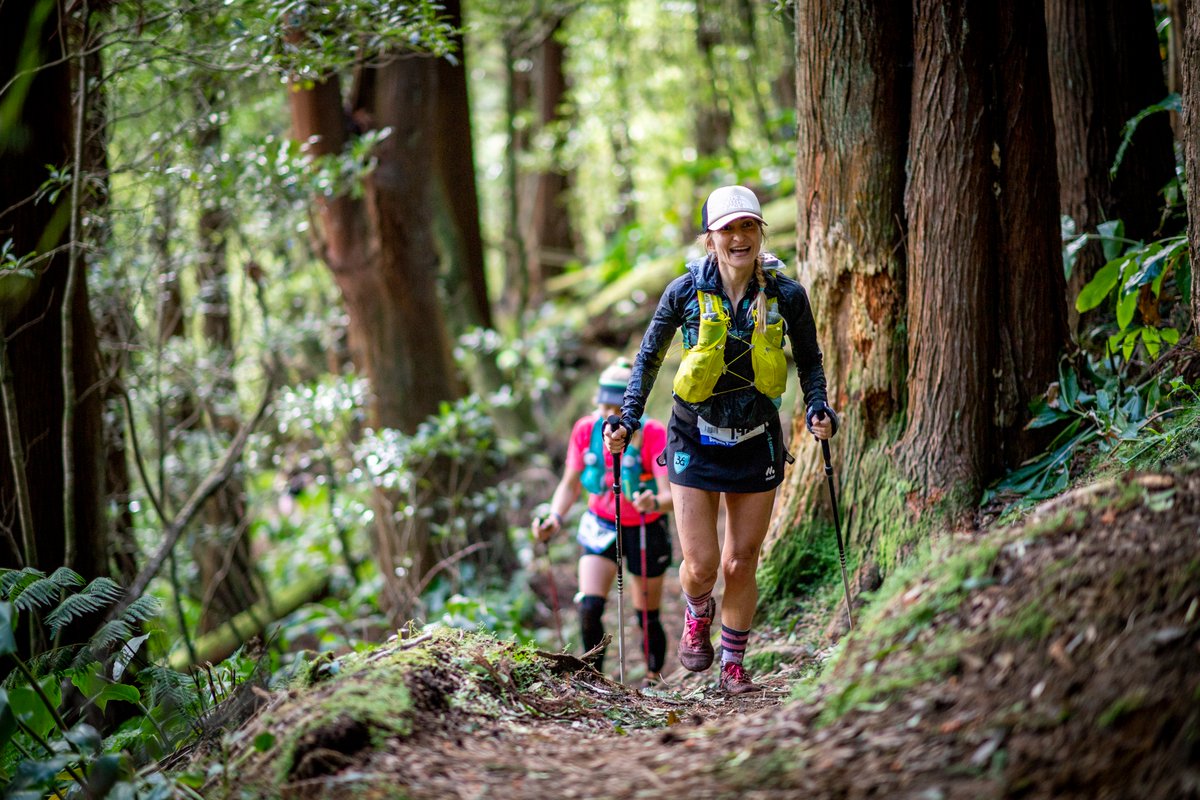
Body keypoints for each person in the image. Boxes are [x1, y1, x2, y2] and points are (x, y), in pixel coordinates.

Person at [604, 185, 838, 695]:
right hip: (694, 434)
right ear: (710, 238)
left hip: (757, 435)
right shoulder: (684, 293)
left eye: (748, 226)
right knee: (703, 565)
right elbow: (648, 358)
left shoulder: (786, 295)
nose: (738, 237)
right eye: (727, 229)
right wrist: (628, 418)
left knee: (741, 560)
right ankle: (696, 609)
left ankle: (733, 664)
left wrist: (819, 405)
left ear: (759, 232)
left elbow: (811, 360)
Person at [533, 359, 674, 684]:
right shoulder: (585, 429)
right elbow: (570, 482)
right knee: (589, 607)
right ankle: (595, 678)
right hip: (600, 523)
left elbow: (670, 496)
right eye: (604, 405)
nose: (609, 413)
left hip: (645, 527)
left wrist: (653, 500)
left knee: (647, 614)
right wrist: (555, 516)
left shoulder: (652, 433)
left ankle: (654, 680)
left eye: (617, 405)